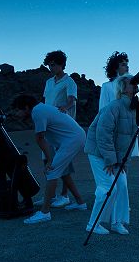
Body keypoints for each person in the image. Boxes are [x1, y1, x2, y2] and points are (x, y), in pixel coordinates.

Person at [12, 94, 88, 224]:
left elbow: (40, 138)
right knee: (62, 172)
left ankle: (45, 212)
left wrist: (49, 160)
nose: (16, 114)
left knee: (52, 171)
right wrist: (50, 158)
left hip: (72, 140)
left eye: (17, 110)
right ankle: (80, 202)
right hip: (71, 139)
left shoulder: (37, 112)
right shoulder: (41, 109)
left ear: (26, 107)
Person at [84, 74, 139, 235]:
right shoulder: (114, 107)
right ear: (123, 88)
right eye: (131, 83)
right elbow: (103, 134)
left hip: (113, 156)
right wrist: (110, 160)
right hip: (98, 153)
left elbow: (126, 140)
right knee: (108, 187)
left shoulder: (131, 108)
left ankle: (117, 222)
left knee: (122, 185)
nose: (135, 85)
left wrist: (122, 162)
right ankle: (93, 224)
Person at [99, 52, 139, 223]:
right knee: (114, 165)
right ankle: (114, 198)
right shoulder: (107, 86)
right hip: (114, 129)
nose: (126, 66)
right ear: (115, 67)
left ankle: (123, 200)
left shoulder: (131, 86)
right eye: (122, 64)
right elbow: (103, 109)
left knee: (125, 163)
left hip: (128, 130)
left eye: (126, 63)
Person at [41, 50, 77, 207]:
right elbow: (46, 100)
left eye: (53, 64)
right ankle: (51, 195)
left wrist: (65, 107)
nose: (51, 67)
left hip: (62, 126)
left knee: (61, 161)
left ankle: (65, 195)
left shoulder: (69, 82)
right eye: (49, 64)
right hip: (47, 125)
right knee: (47, 158)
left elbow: (71, 100)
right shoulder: (49, 82)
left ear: (61, 64)